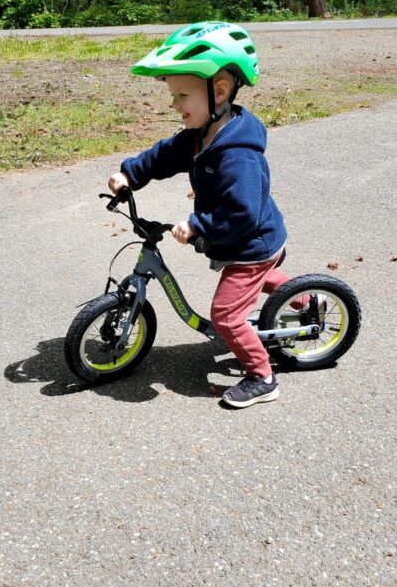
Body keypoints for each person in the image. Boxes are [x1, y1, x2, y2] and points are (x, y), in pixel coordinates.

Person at [108, 21, 315, 408]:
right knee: (259, 280)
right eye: (173, 95)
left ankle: (262, 376)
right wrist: (131, 173)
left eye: (182, 94)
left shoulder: (238, 156)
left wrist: (199, 225)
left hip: (251, 242)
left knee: (226, 314)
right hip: (246, 239)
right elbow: (166, 154)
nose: (174, 105)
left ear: (219, 91)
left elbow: (241, 214)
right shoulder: (204, 133)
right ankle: (300, 297)